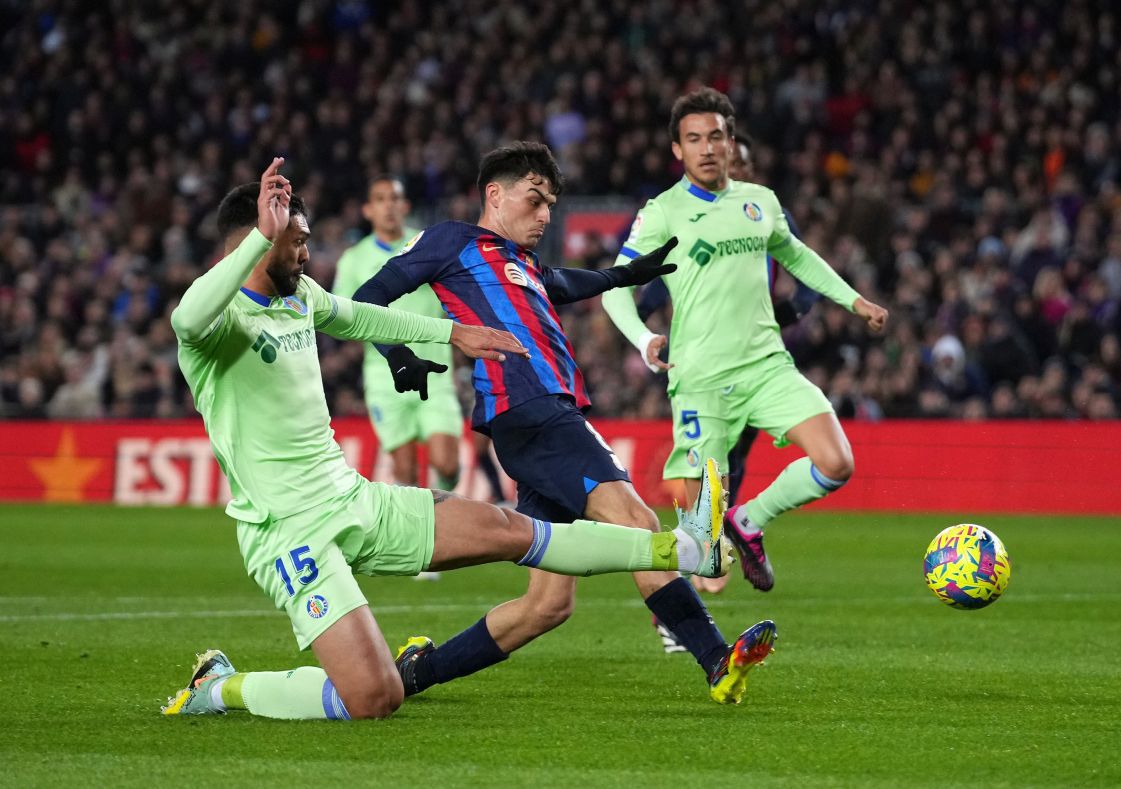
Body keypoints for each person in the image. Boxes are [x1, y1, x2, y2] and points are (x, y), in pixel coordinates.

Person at [161, 158, 731, 721]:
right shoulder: (216, 324)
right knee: (373, 699)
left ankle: (682, 549)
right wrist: (262, 236)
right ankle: (221, 686)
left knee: (513, 531)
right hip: (288, 531)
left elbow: (363, 317)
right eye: (296, 240)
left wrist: (456, 333)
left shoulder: (300, 296)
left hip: (351, 498)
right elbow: (185, 320)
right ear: (256, 242)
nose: (307, 252)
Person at [355, 141, 776, 705]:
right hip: (533, 408)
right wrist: (397, 352)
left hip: (538, 420)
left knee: (548, 605)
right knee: (636, 521)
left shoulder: (523, 264)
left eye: (551, 203)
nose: (546, 215)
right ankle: (715, 658)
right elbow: (368, 296)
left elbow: (563, 282)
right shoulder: (453, 241)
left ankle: (416, 674)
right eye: (535, 200)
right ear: (495, 195)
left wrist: (624, 275)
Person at [602, 88, 889, 593]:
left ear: (731, 142)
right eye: (694, 139)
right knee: (702, 550)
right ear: (678, 150)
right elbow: (615, 287)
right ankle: (679, 617)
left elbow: (797, 256)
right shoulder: (663, 212)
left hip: (766, 368)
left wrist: (853, 301)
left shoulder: (760, 203)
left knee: (837, 461)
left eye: (716, 136)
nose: (707, 148)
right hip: (700, 382)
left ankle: (749, 521)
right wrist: (643, 337)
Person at [332, 176, 462, 493]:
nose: (388, 205)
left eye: (394, 198)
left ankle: (445, 507)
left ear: (405, 206)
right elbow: (343, 319)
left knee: (448, 464)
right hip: (384, 375)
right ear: (367, 210)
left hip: (437, 368)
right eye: (380, 199)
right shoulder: (353, 260)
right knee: (405, 469)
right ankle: (421, 532)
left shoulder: (427, 247)